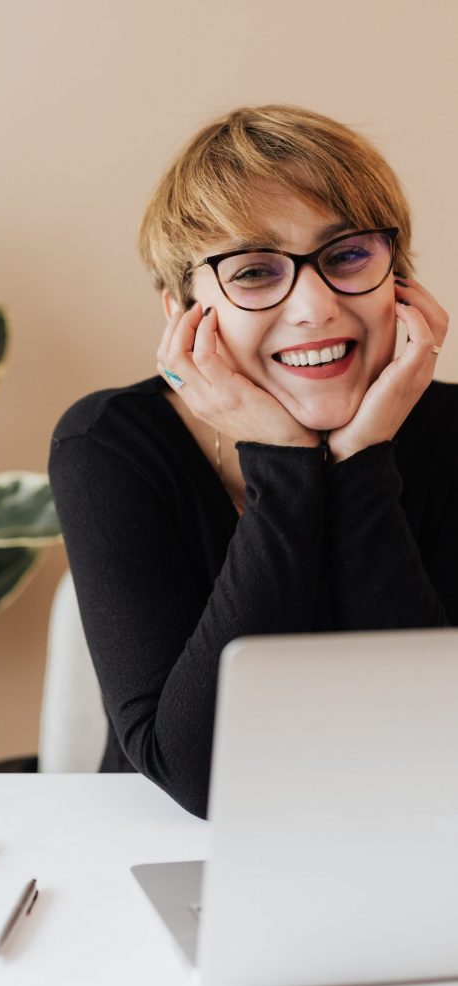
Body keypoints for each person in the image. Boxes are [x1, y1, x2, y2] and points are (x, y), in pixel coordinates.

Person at [48, 104, 453, 819]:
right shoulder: (109, 446)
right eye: (256, 271)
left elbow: (437, 744)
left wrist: (361, 460)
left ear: (401, 279)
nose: (314, 306)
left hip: (408, 845)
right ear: (183, 313)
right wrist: (285, 464)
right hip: (164, 853)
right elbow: (202, 777)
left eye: (347, 254)